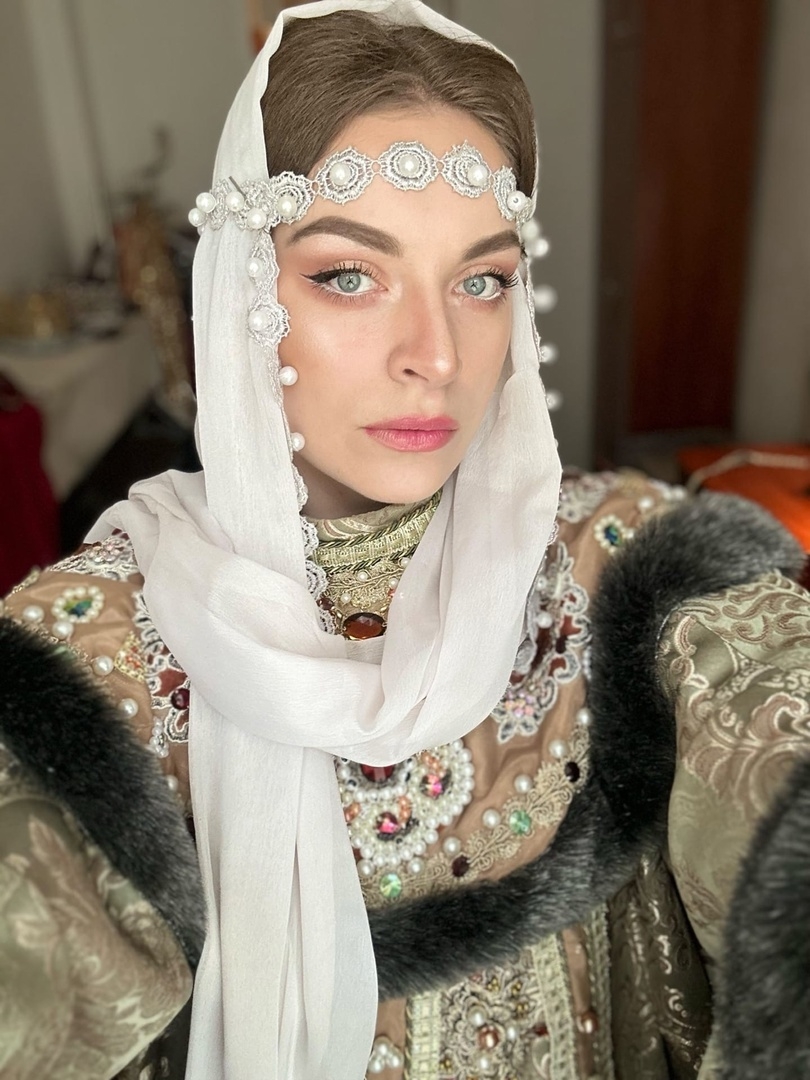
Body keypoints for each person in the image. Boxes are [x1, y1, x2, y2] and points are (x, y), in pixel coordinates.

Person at [1, 2, 808, 1078]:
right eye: (349, 275)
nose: (437, 355)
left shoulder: (628, 562)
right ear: (244, 290)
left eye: (482, 280)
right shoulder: (91, 646)